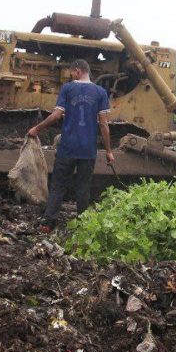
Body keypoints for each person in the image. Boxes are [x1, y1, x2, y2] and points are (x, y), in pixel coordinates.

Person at [27, 59, 115, 232]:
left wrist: (37, 129)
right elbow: (104, 125)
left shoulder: (67, 89)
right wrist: (109, 151)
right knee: (83, 188)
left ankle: (48, 223)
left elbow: (56, 115)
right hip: (88, 150)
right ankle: (83, 226)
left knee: (58, 185)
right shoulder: (100, 92)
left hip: (67, 147)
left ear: (77, 71)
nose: (70, 76)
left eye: (71, 72)